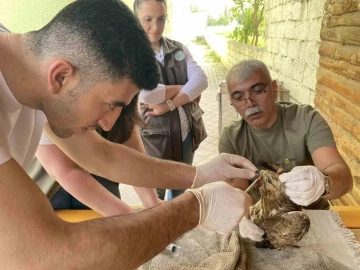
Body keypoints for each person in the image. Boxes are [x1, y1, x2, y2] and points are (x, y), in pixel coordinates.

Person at [0, 1, 258, 268]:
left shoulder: (31, 74)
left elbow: (102, 155)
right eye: (111, 105)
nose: (110, 126)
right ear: (61, 76)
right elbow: (47, 254)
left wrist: (200, 175)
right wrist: (196, 207)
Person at [218, 59, 353, 242]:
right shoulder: (231, 139)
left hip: (313, 216)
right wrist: (242, 217)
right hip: (264, 222)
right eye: (239, 97)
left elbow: (343, 178)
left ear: (274, 88)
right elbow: (238, 193)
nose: (249, 102)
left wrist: (323, 182)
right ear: (232, 102)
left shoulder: (305, 120)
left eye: (258, 90)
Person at [37, 94, 162, 215]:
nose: (108, 126)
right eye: (110, 106)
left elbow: (128, 137)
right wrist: (127, 217)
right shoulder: (47, 98)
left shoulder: (127, 89)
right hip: (51, 185)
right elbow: (65, 170)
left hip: (101, 176)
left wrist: (151, 201)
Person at [134, 0, 208, 200]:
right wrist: (186, 90)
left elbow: (201, 80)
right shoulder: (131, 56)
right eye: (148, 19)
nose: (155, 27)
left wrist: (169, 104)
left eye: (161, 19)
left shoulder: (178, 49)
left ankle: (175, 228)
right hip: (153, 137)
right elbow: (146, 93)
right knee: (154, 193)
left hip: (185, 134)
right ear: (136, 19)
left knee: (181, 188)